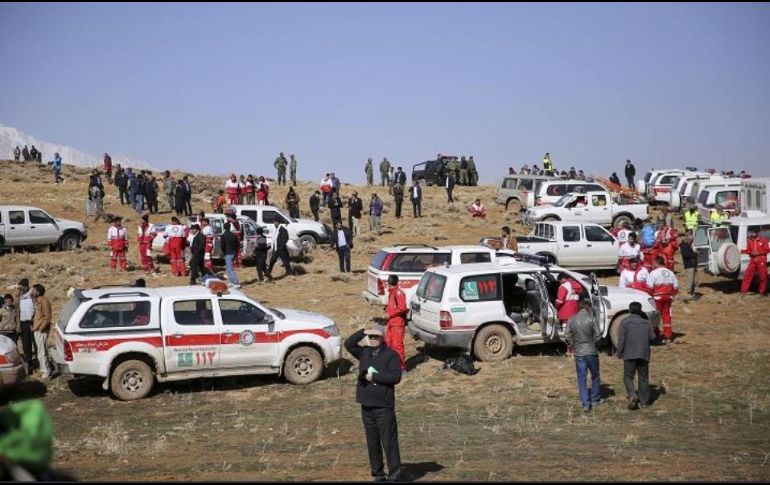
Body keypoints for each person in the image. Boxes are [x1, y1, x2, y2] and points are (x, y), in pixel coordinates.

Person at [344, 326, 403, 482]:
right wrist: (363, 331)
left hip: (383, 407)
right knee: (372, 442)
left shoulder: (391, 355)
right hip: (366, 405)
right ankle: (378, 474)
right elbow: (348, 344)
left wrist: (374, 377)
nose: (373, 339)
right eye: (370, 337)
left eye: (376, 336)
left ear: (382, 338)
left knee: (389, 442)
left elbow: (396, 377)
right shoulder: (364, 352)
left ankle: (394, 475)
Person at [564, 299, 602, 412]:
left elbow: (567, 335)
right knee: (595, 376)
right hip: (591, 351)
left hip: (579, 352)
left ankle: (585, 403)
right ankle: (595, 399)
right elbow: (598, 336)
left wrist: (572, 346)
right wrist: (593, 344)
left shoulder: (572, 319)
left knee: (581, 378)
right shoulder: (592, 318)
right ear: (588, 308)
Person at [617, 302, 657, 410]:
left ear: (630, 310)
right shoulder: (647, 323)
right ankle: (644, 401)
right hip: (643, 353)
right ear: (640, 310)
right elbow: (653, 338)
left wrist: (619, 352)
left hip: (629, 353)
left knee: (628, 376)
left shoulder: (624, 322)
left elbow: (621, 339)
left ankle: (632, 395)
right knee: (643, 377)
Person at [647, 255, 679, 344]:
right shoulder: (671, 272)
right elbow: (676, 286)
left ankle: (654, 336)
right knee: (667, 316)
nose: (652, 264)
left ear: (656, 263)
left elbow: (650, 287)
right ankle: (667, 336)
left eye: (653, 263)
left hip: (657, 297)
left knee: (655, 317)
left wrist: (650, 297)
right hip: (668, 297)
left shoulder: (653, 273)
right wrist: (672, 295)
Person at [384, 275, 408, 373]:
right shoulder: (392, 292)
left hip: (397, 323)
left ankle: (401, 367)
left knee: (397, 345)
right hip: (391, 322)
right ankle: (391, 364)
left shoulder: (398, 293)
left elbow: (402, 308)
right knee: (388, 344)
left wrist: (390, 314)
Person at [31, 284, 52, 380]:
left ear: (38, 292)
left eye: (33, 290)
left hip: (41, 330)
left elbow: (48, 317)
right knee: (40, 352)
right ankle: (44, 370)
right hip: (37, 329)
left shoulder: (44, 301)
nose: (32, 292)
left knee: (42, 352)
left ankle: (46, 373)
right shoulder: (38, 301)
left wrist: (41, 328)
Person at [14, 279, 35, 371]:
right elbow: (16, 309)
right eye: (20, 287)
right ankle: (29, 364)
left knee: (36, 343)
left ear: (27, 287)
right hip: (23, 324)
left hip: (33, 323)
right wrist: (18, 325)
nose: (21, 289)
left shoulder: (32, 294)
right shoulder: (18, 296)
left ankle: (38, 362)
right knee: (26, 345)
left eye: (22, 287)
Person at [740, 230, 770, 295]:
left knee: (763, 277)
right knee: (747, 275)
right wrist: (749, 252)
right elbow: (748, 250)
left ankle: (761, 292)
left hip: (761, 260)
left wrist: (759, 252)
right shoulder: (749, 241)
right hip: (753, 261)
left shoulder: (763, 240)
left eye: (753, 233)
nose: (751, 234)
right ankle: (743, 291)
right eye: (751, 233)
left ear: (757, 233)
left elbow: (767, 250)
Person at [680, 231, 698, 301]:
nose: (692, 242)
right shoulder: (684, 246)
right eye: (691, 241)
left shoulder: (687, 246)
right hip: (689, 265)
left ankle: (693, 294)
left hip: (692, 265)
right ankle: (689, 294)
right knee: (690, 281)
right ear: (689, 240)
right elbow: (686, 255)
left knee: (694, 280)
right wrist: (695, 254)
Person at [221, 222, 241, 288]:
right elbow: (237, 244)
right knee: (228, 268)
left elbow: (222, 246)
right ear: (229, 227)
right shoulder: (234, 235)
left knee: (229, 269)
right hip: (234, 252)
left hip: (228, 253)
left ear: (224, 228)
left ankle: (236, 282)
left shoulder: (223, 235)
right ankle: (232, 282)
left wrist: (224, 252)